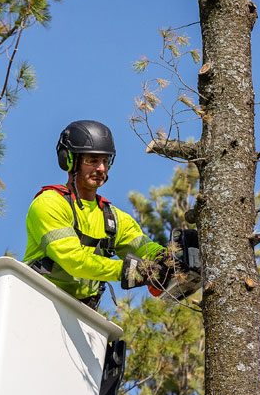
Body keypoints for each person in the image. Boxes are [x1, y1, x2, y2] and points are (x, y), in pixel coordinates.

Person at [24, 120, 170, 307]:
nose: (101, 168)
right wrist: (130, 270)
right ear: (69, 160)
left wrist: (173, 258)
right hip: (36, 302)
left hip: (82, 313)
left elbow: (148, 251)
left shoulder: (114, 219)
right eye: (92, 160)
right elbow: (73, 260)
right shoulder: (49, 203)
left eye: (105, 161)